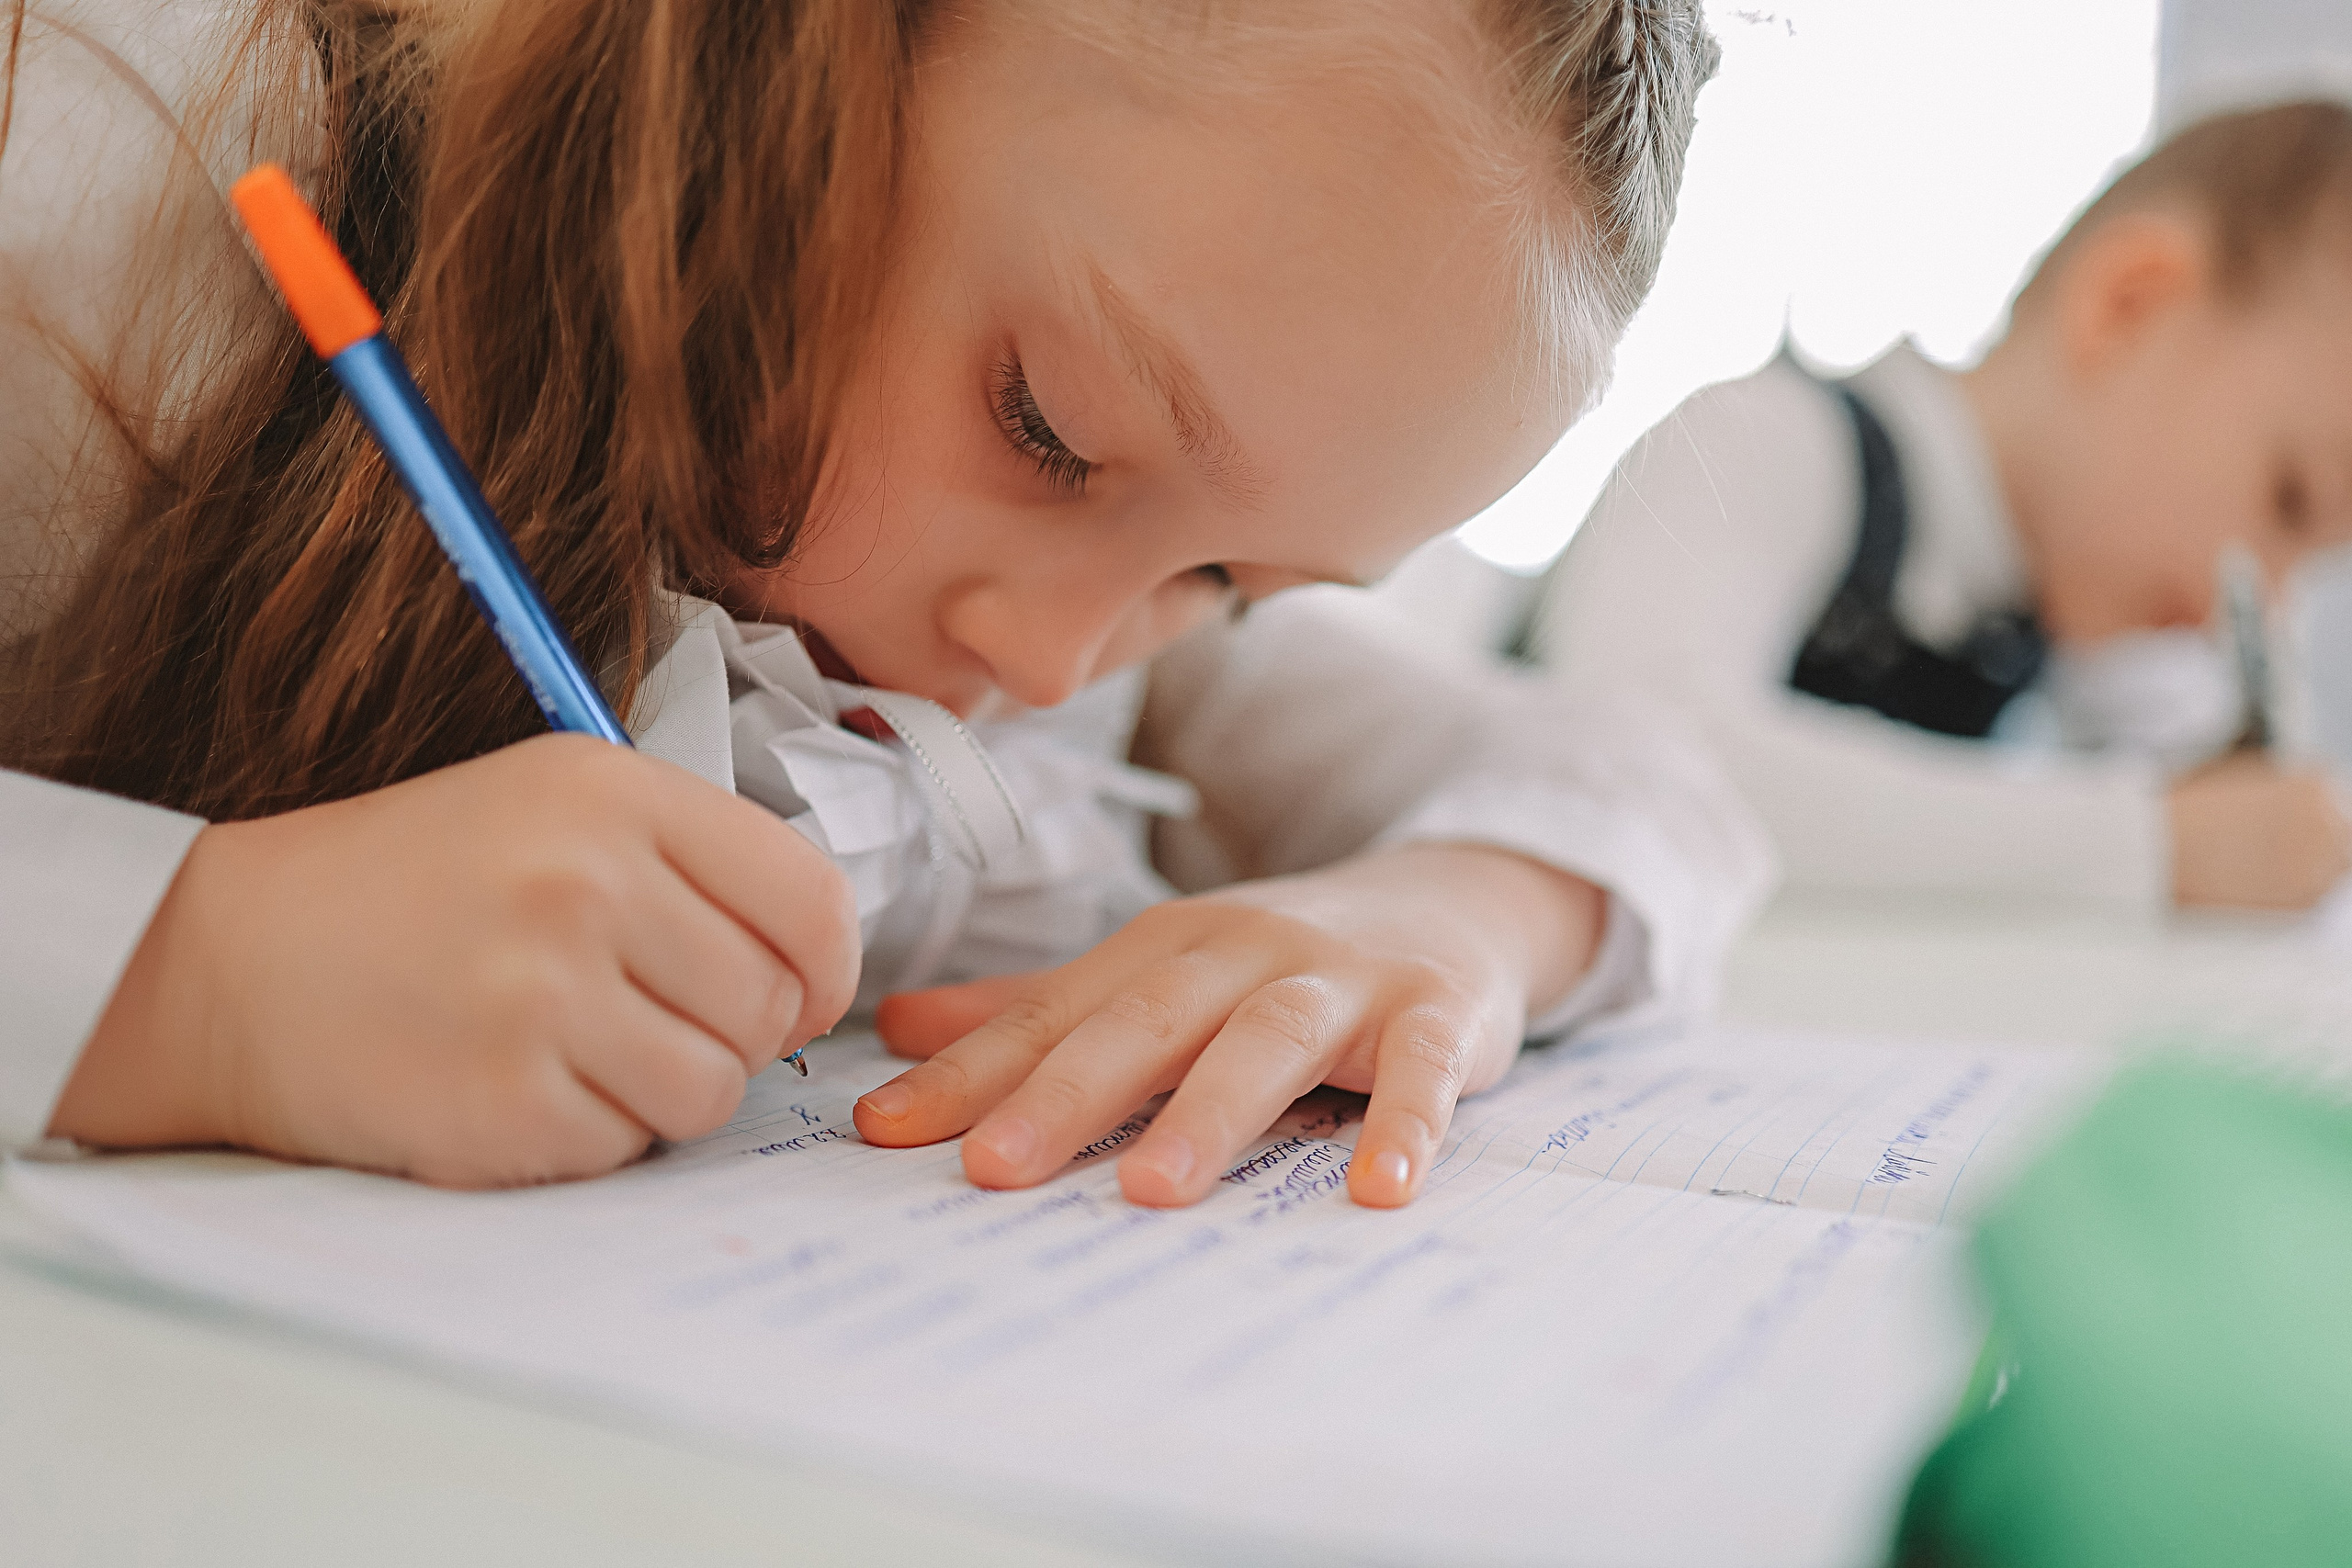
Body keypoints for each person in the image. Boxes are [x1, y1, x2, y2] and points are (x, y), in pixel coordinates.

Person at [0, 0, 1770, 1203]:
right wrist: (187, 977)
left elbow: (1656, 786)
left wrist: (1463, 919)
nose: (1052, 658)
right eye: (1046, 429)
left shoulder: (1085, 620)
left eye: (1228, 584)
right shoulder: (100, 194)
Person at [1535, 102, 2352, 915]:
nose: (2268, 598)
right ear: (2128, 305)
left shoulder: (2068, 615)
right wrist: (2154, 841)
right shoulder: (1773, 439)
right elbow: (1634, 753)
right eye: (2290, 498)